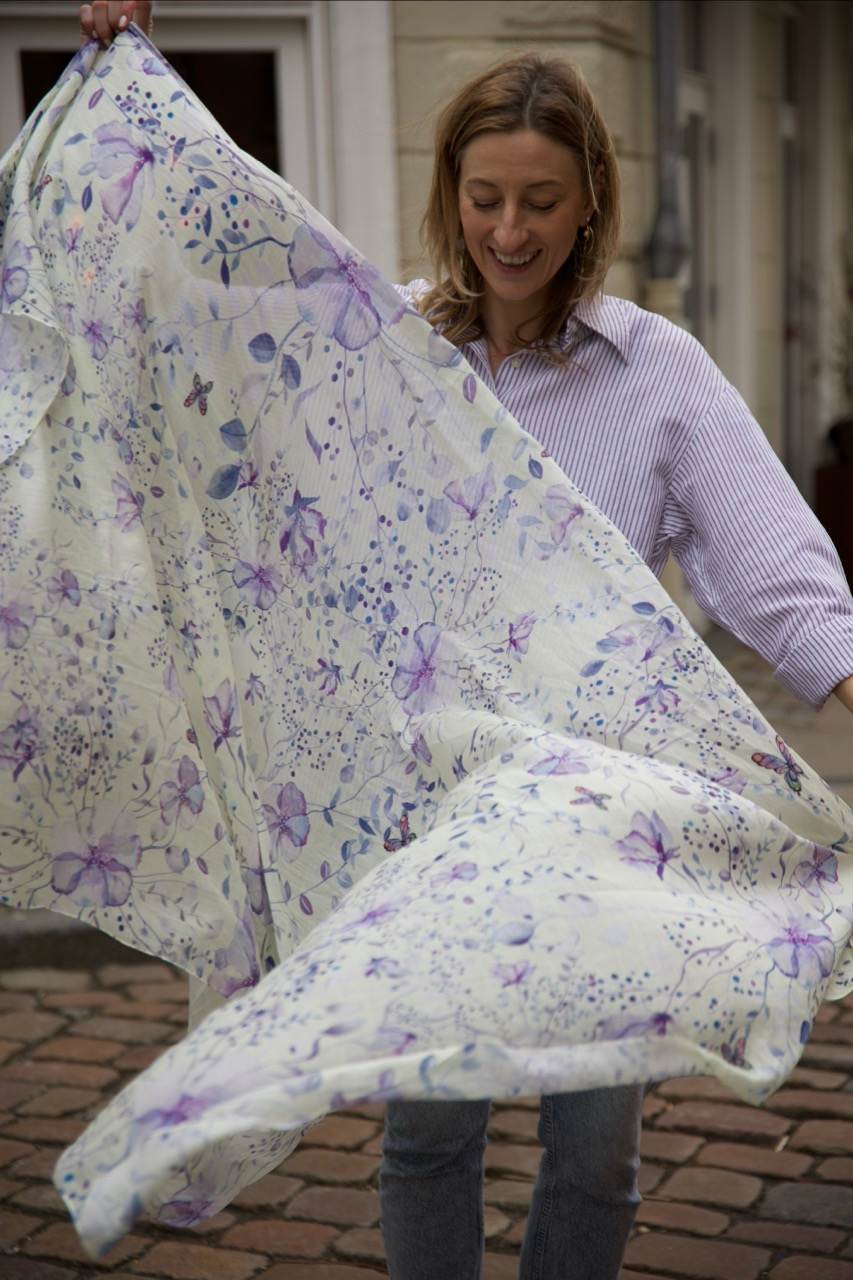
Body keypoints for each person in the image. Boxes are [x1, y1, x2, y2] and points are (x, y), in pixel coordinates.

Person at [75, 5, 853, 1278]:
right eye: (484, 197)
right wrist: (129, 84)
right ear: (449, 193)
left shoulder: (653, 371)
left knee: (593, 1146)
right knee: (426, 1134)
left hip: (602, 810)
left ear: (590, 199)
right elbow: (193, 343)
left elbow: (780, 575)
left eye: (540, 200)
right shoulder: (380, 350)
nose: (509, 230)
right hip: (430, 810)